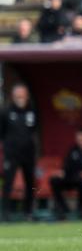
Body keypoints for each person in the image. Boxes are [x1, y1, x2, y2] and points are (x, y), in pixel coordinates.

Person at [1, 84, 38, 220]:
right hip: (11, 154)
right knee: (8, 182)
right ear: (13, 96)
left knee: (30, 183)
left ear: (26, 96)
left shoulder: (32, 112)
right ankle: (5, 212)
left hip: (28, 154)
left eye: (22, 95)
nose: (20, 98)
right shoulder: (5, 112)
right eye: (18, 96)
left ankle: (28, 212)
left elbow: (33, 130)